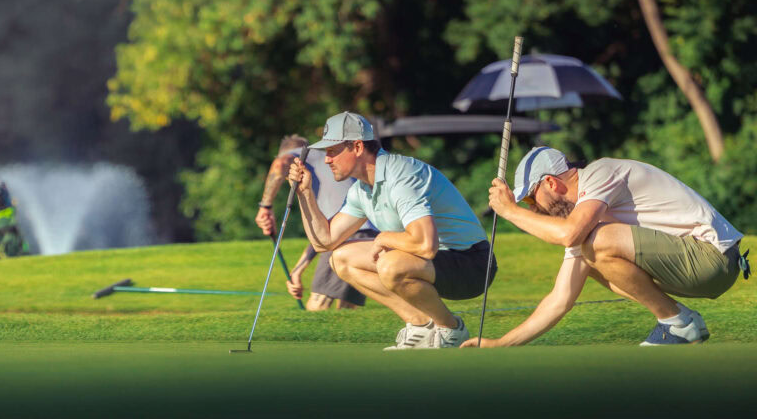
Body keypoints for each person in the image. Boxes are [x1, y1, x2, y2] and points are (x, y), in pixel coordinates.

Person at [465, 146, 750, 347]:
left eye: (530, 199)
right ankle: (679, 322)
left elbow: (569, 234)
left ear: (551, 182)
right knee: (590, 252)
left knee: (592, 243)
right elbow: (559, 300)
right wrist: (501, 344)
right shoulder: (586, 221)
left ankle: (677, 322)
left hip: (714, 258)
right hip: (697, 266)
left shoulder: (600, 173)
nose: (534, 208)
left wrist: (511, 212)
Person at [288, 111, 497, 350]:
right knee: (341, 258)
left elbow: (426, 245)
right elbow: (323, 242)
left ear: (357, 147)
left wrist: (384, 238)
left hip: (473, 265)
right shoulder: (361, 190)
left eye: (333, 151)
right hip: (435, 265)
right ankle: (421, 325)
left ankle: (451, 329)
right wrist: (305, 194)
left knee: (390, 263)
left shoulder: (401, 176)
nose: (327, 160)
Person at [255, 135, 377, 310]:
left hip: (349, 232)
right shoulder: (326, 164)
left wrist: (265, 206)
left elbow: (280, 164)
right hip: (368, 234)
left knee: (318, 306)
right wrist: (298, 271)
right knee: (345, 312)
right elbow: (323, 238)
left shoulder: (299, 155)